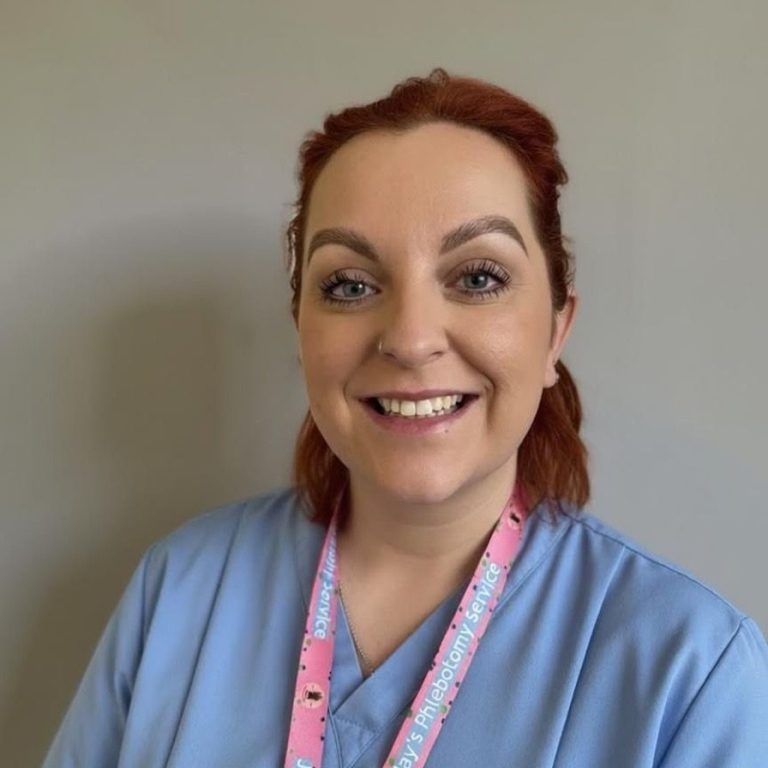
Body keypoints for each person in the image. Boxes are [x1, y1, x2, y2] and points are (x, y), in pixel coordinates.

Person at [44, 68, 768, 768]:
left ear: (555, 330)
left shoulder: (691, 670)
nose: (411, 338)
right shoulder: (177, 592)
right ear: (301, 330)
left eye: (478, 277)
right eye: (351, 284)